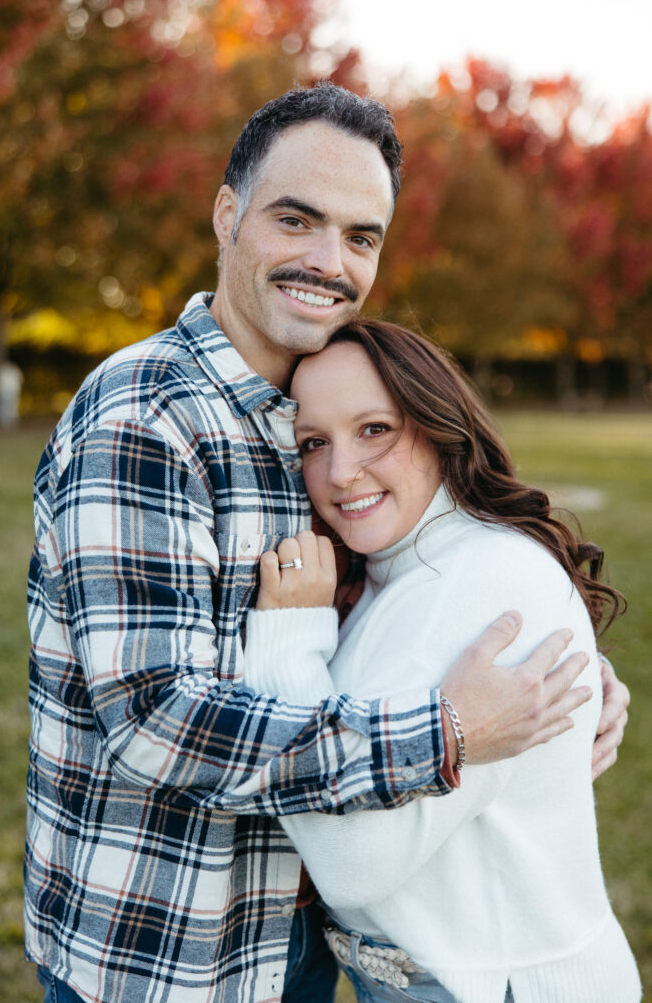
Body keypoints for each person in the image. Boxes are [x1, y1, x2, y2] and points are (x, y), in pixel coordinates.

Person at [25, 84, 629, 1003]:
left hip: (295, 944)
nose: (328, 261)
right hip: (167, 953)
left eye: (360, 236)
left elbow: (405, 604)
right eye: (296, 219)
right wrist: (453, 731)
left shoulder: (318, 409)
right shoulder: (145, 415)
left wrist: (562, 683)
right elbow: (157, 719)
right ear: (227, 215)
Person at [242, 319, 641, 1003]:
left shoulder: (479, 583)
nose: (340, 472)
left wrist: (287, 645)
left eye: (374, 429)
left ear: (436, 425)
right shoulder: (402, 566)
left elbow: (349, 864)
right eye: (314, 443)